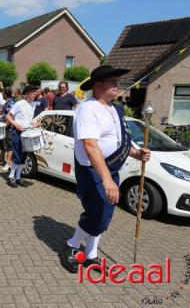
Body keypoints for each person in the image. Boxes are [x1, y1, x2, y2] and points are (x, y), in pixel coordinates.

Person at [61, 65, 151, 272]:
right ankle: (72, 245)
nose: (118, 85)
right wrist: (107, 180)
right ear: (98, 85)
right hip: (93, 171)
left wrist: (136, 153)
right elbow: (90, 145)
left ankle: (91, 255)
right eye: (114, 82)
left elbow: (118, 140)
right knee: (97, 213)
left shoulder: (115, 109)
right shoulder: (88, 109)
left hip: (111, 169)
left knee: (105, 214)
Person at [5, 85, 41, 187]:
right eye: (33, 92)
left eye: (35, 92)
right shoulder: (19, 104)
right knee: (17, 155)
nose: (35, 93)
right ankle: (11, 177)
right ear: (27, 93)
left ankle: (18, 177)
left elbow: (29, 119)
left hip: (27, 133)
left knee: (23, 156)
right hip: (17, 132)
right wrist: (16, 124)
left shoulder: (33, 104)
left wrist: (34, 123)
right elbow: (8, 116)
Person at [0, 87, 15, 171]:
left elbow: (11, 117)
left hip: (8, 127)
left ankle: (8, 163)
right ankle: (2, 160)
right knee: (4, 143)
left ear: (5, 93)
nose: (1, 94)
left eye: (2, 93)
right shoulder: (7, 102)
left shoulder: (11, 103)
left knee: (9, 145)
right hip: (4, 126)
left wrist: (5, 125)